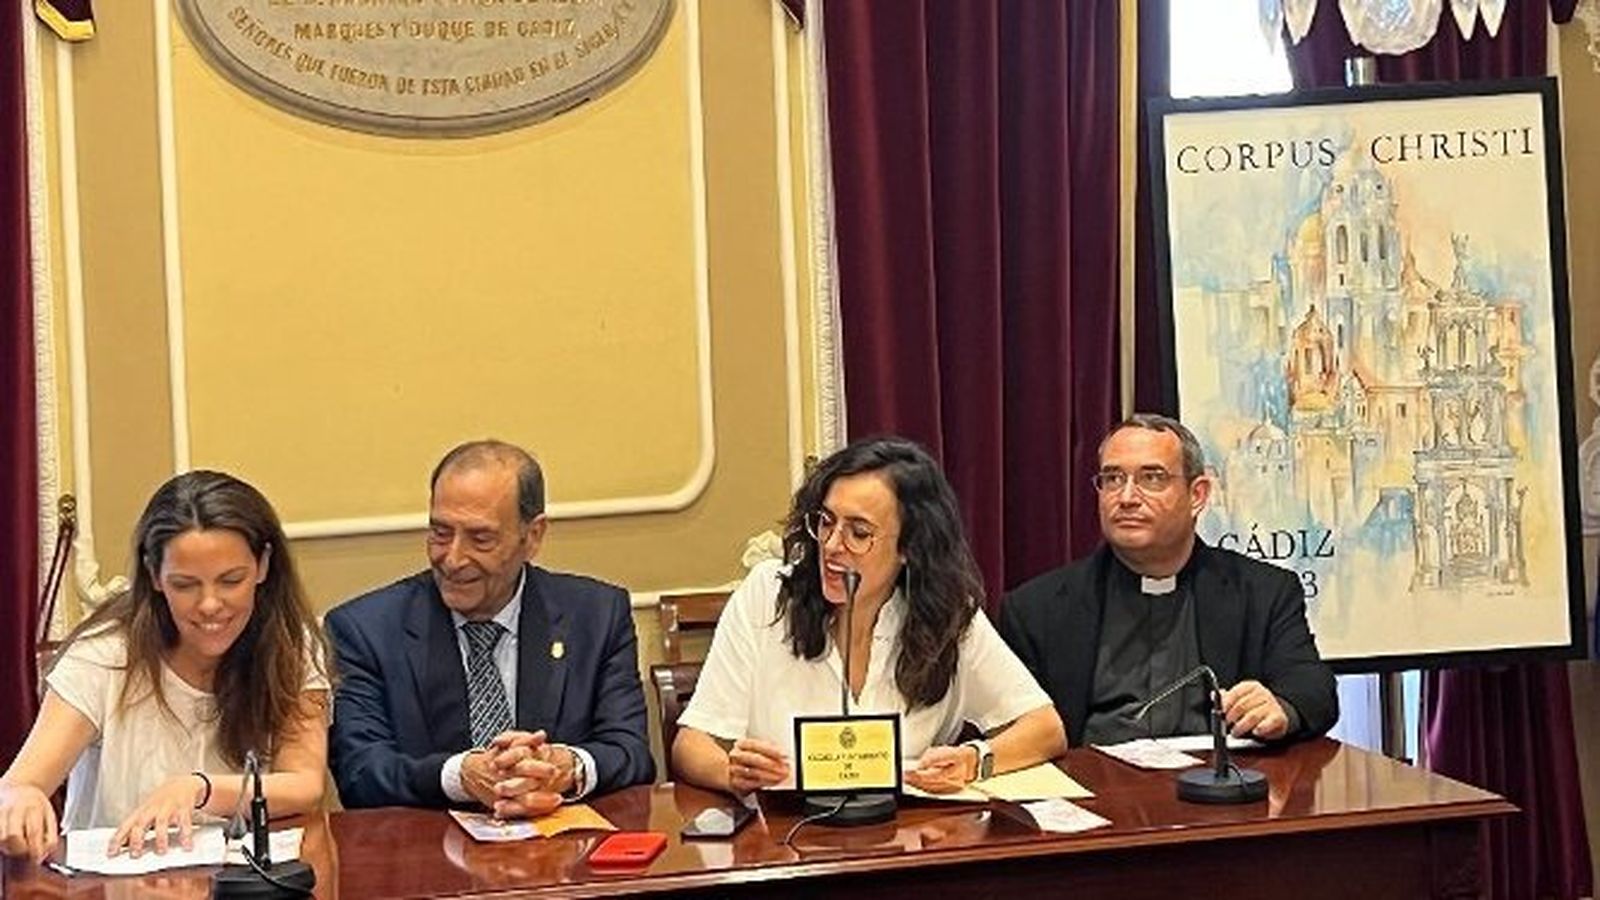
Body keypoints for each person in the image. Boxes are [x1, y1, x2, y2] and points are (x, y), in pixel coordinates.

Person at [673, 437, 1066, 795]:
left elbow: (1045, 729)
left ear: (909, 548)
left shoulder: (946, 613)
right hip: (786, 844)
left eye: (858, 533)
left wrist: (974, 761)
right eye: (826, 522)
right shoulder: (769, 596)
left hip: (908, 844)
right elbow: (691, 745)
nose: (831, 545)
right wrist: (730, 772)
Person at [0, 471, 330, 863]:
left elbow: (305, 784)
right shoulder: (104, 656)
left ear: (262, 566)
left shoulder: (291, 643)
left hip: (241, 882)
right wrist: (20, 800)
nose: (209, 604)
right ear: (155, 575)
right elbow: (19, 785)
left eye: (230, 581)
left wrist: (199, 789)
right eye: (185, 585)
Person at [326, 440, 653, 816]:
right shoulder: (365, 630)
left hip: (565, 858)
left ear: (532, 536)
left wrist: (564, 767)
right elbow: (360, 773)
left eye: (480, 538)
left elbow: (631, 754)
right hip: (430, 860)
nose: (452, 558)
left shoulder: (597, 616)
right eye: (440, 532)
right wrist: (459, 776)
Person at [999, 414, 1337, 747]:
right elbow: (1008, 730)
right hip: (1094, 793)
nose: (1127, 497)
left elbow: (1313, 689)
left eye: (1152, 478)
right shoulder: (1037, 610)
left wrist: (1280, 708)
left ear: (1198, 495)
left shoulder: (1262, 592)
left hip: (1221, 791)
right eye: (1113, 478)